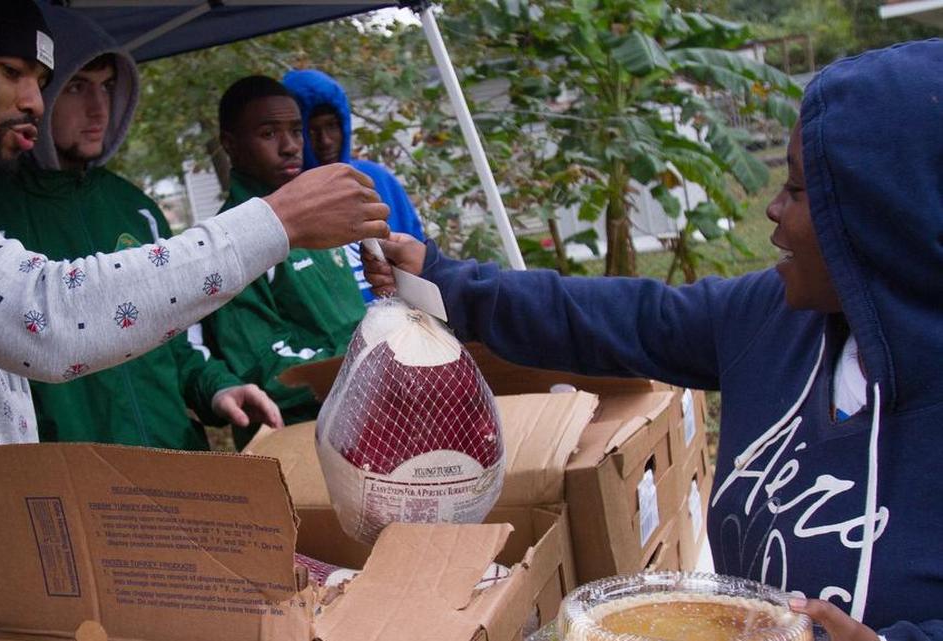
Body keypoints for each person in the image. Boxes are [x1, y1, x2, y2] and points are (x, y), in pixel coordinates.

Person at [0, 1, 387, 638]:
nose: (34, 99)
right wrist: (276, 221)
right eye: (11, 71)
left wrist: (209, 380)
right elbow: (46, 318)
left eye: (43, 80)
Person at [364, 40, 943, 641]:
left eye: (798, 191)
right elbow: (617, 319)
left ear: (885, 213)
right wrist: (447, 282)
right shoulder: (772, 319)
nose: (772, 208)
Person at [0, 7, 280, 451]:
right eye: (77, 86)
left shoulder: (135, 209)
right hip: (71, 482)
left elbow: (177, 335)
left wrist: (218, 387)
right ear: (39, 92)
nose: (99, 107)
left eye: (108, 87)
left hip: (175, 461)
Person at [201, 76, 367, 447]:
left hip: (364, 421)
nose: (291, 146)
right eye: (268, 134)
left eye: (296, 130)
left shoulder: (323, 216)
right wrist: (366, 369)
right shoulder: (229, 241)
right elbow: (263, 366)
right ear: (231, 145)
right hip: (298, 440)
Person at [283, 69, 426, 303]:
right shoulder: (289, 201)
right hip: (336, 336)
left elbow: (420, 258)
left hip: (402, 324)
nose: (325, 140)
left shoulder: (376, 179)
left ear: (345, 125)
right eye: (312, 130)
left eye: (332, 126)